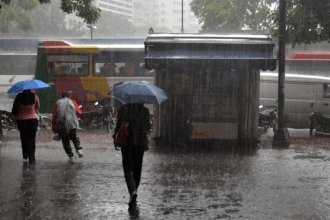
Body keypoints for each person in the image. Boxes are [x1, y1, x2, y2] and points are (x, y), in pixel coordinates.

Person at [112, 103, 151, 208]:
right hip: (141, 143)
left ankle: (132, 191)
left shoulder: (124, 108)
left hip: (127, 141)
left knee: (128, 168)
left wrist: (114, 136)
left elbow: (119, 124)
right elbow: (148, 127)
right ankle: (134, 192)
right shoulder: (145, 110)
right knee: (137, 169)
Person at [52, 91, 83, 164]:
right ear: (69, 96)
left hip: (62, 124)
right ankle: (78, 150)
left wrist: (54, 128)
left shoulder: (57, 102)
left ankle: (71, 157)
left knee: (65, 140)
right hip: (72, 123)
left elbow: (54, 116)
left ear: (61, 96)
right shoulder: (73, 101)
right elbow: (79, 113)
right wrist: (76, 118)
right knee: (74, 137)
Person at [11, 89, 40, 163]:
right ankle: (31, 156)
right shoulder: (35, 96)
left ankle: (25, 155)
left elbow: (15, 108)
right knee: (32, 139)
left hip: (21, 120)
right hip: (32, 120)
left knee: (24, 138)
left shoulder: (19, 96)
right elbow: (37, 108)